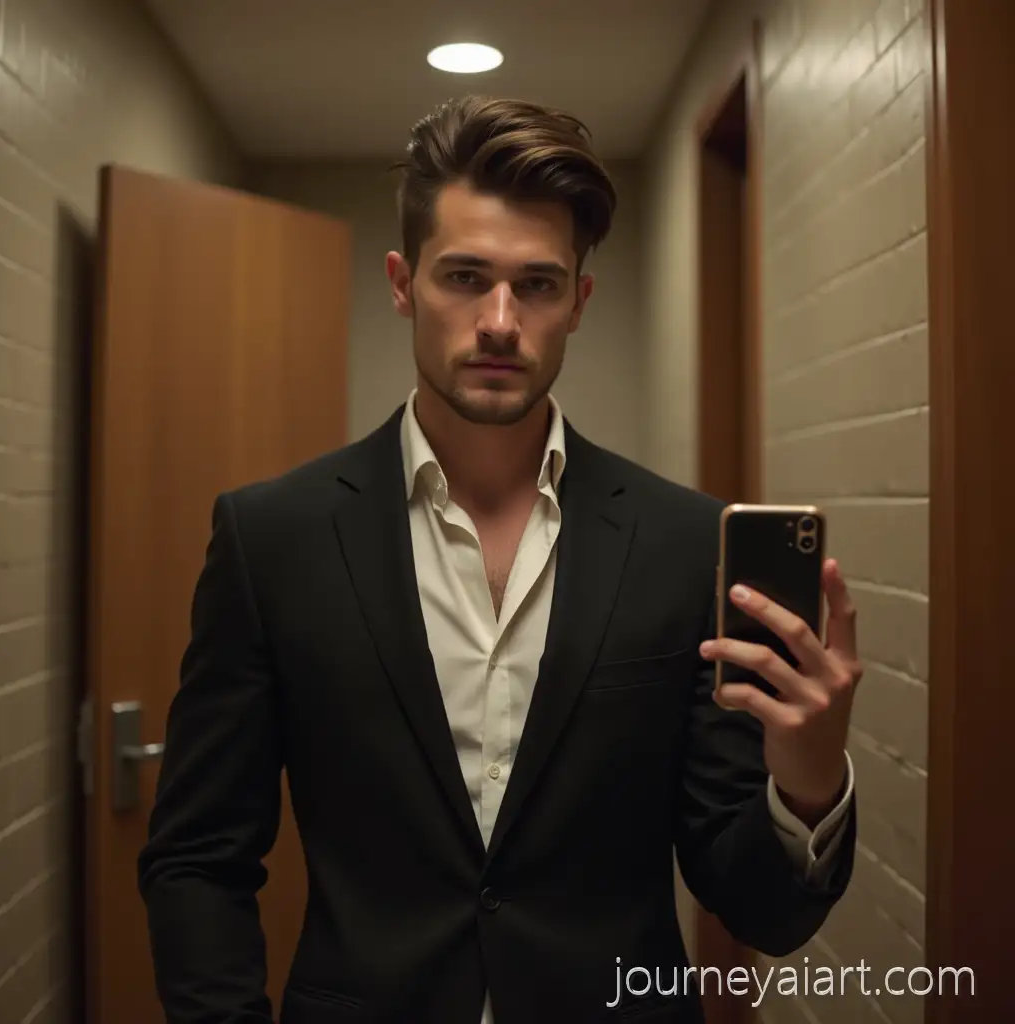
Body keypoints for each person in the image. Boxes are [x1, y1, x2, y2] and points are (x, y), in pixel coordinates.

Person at [138, 95, 860, 1024]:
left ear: (579, 303)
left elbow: (758, 908)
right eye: (465, 277)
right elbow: (198, 858)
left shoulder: (684, 545)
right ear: (403, 283)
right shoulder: (273, 538)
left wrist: (807, 781)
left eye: (538, 284)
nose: (500, 320)